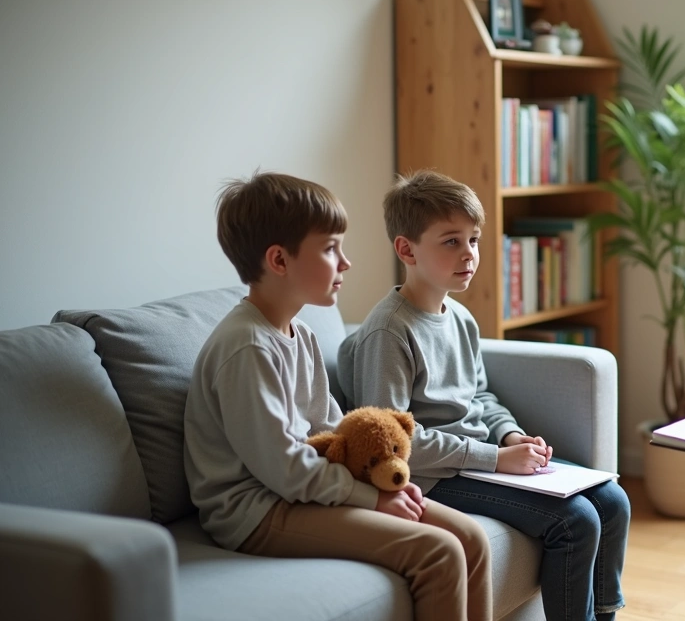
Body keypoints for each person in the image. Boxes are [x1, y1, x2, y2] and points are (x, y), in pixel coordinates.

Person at [183, 172, 492, 621]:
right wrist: (371, 499)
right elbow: (284, 468)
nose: (345, 263)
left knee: (472, 539)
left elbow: (333, 431)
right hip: (257, 510)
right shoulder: (246, 347)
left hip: (299, 491)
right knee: (439, 552)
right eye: (330, 249)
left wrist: (379, 480)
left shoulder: (300, 334)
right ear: (279, 260)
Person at [338, 170, 630, 621]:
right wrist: (495, 459)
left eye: (473, 240)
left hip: (478, 461)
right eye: (451, 241)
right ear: (407, 250)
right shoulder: (389, 332)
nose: (469, 254)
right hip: (434, 477)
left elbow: (480, 395)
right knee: (575, 521)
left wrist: (509, 436)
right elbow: (392, 444)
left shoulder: (460, 317)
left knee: (612, 501)